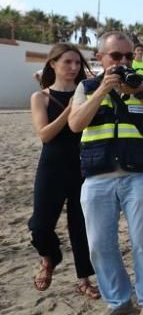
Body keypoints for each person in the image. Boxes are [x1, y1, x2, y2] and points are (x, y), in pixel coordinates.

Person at [68, 31, 143, 315]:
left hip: (139, 176)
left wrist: (139, 93)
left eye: (128, 56)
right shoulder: (87, 88)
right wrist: (102, 90)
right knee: (99, 244)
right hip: (97, 178)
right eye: (116, 56)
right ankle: (117, 301)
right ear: (100, 58)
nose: (124, 62)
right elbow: (75, 124)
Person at [28, 43, 98, 298]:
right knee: (40, 225)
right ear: (53, 64)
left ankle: (84, 279)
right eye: (67, 62)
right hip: (52, 167)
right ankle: (50, 256)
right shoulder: (41, 97)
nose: (73, 67)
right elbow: (45, 135)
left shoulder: (88, 95)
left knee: (80, 226)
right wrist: (69, 110)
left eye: (77, 63)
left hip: (82, 166)